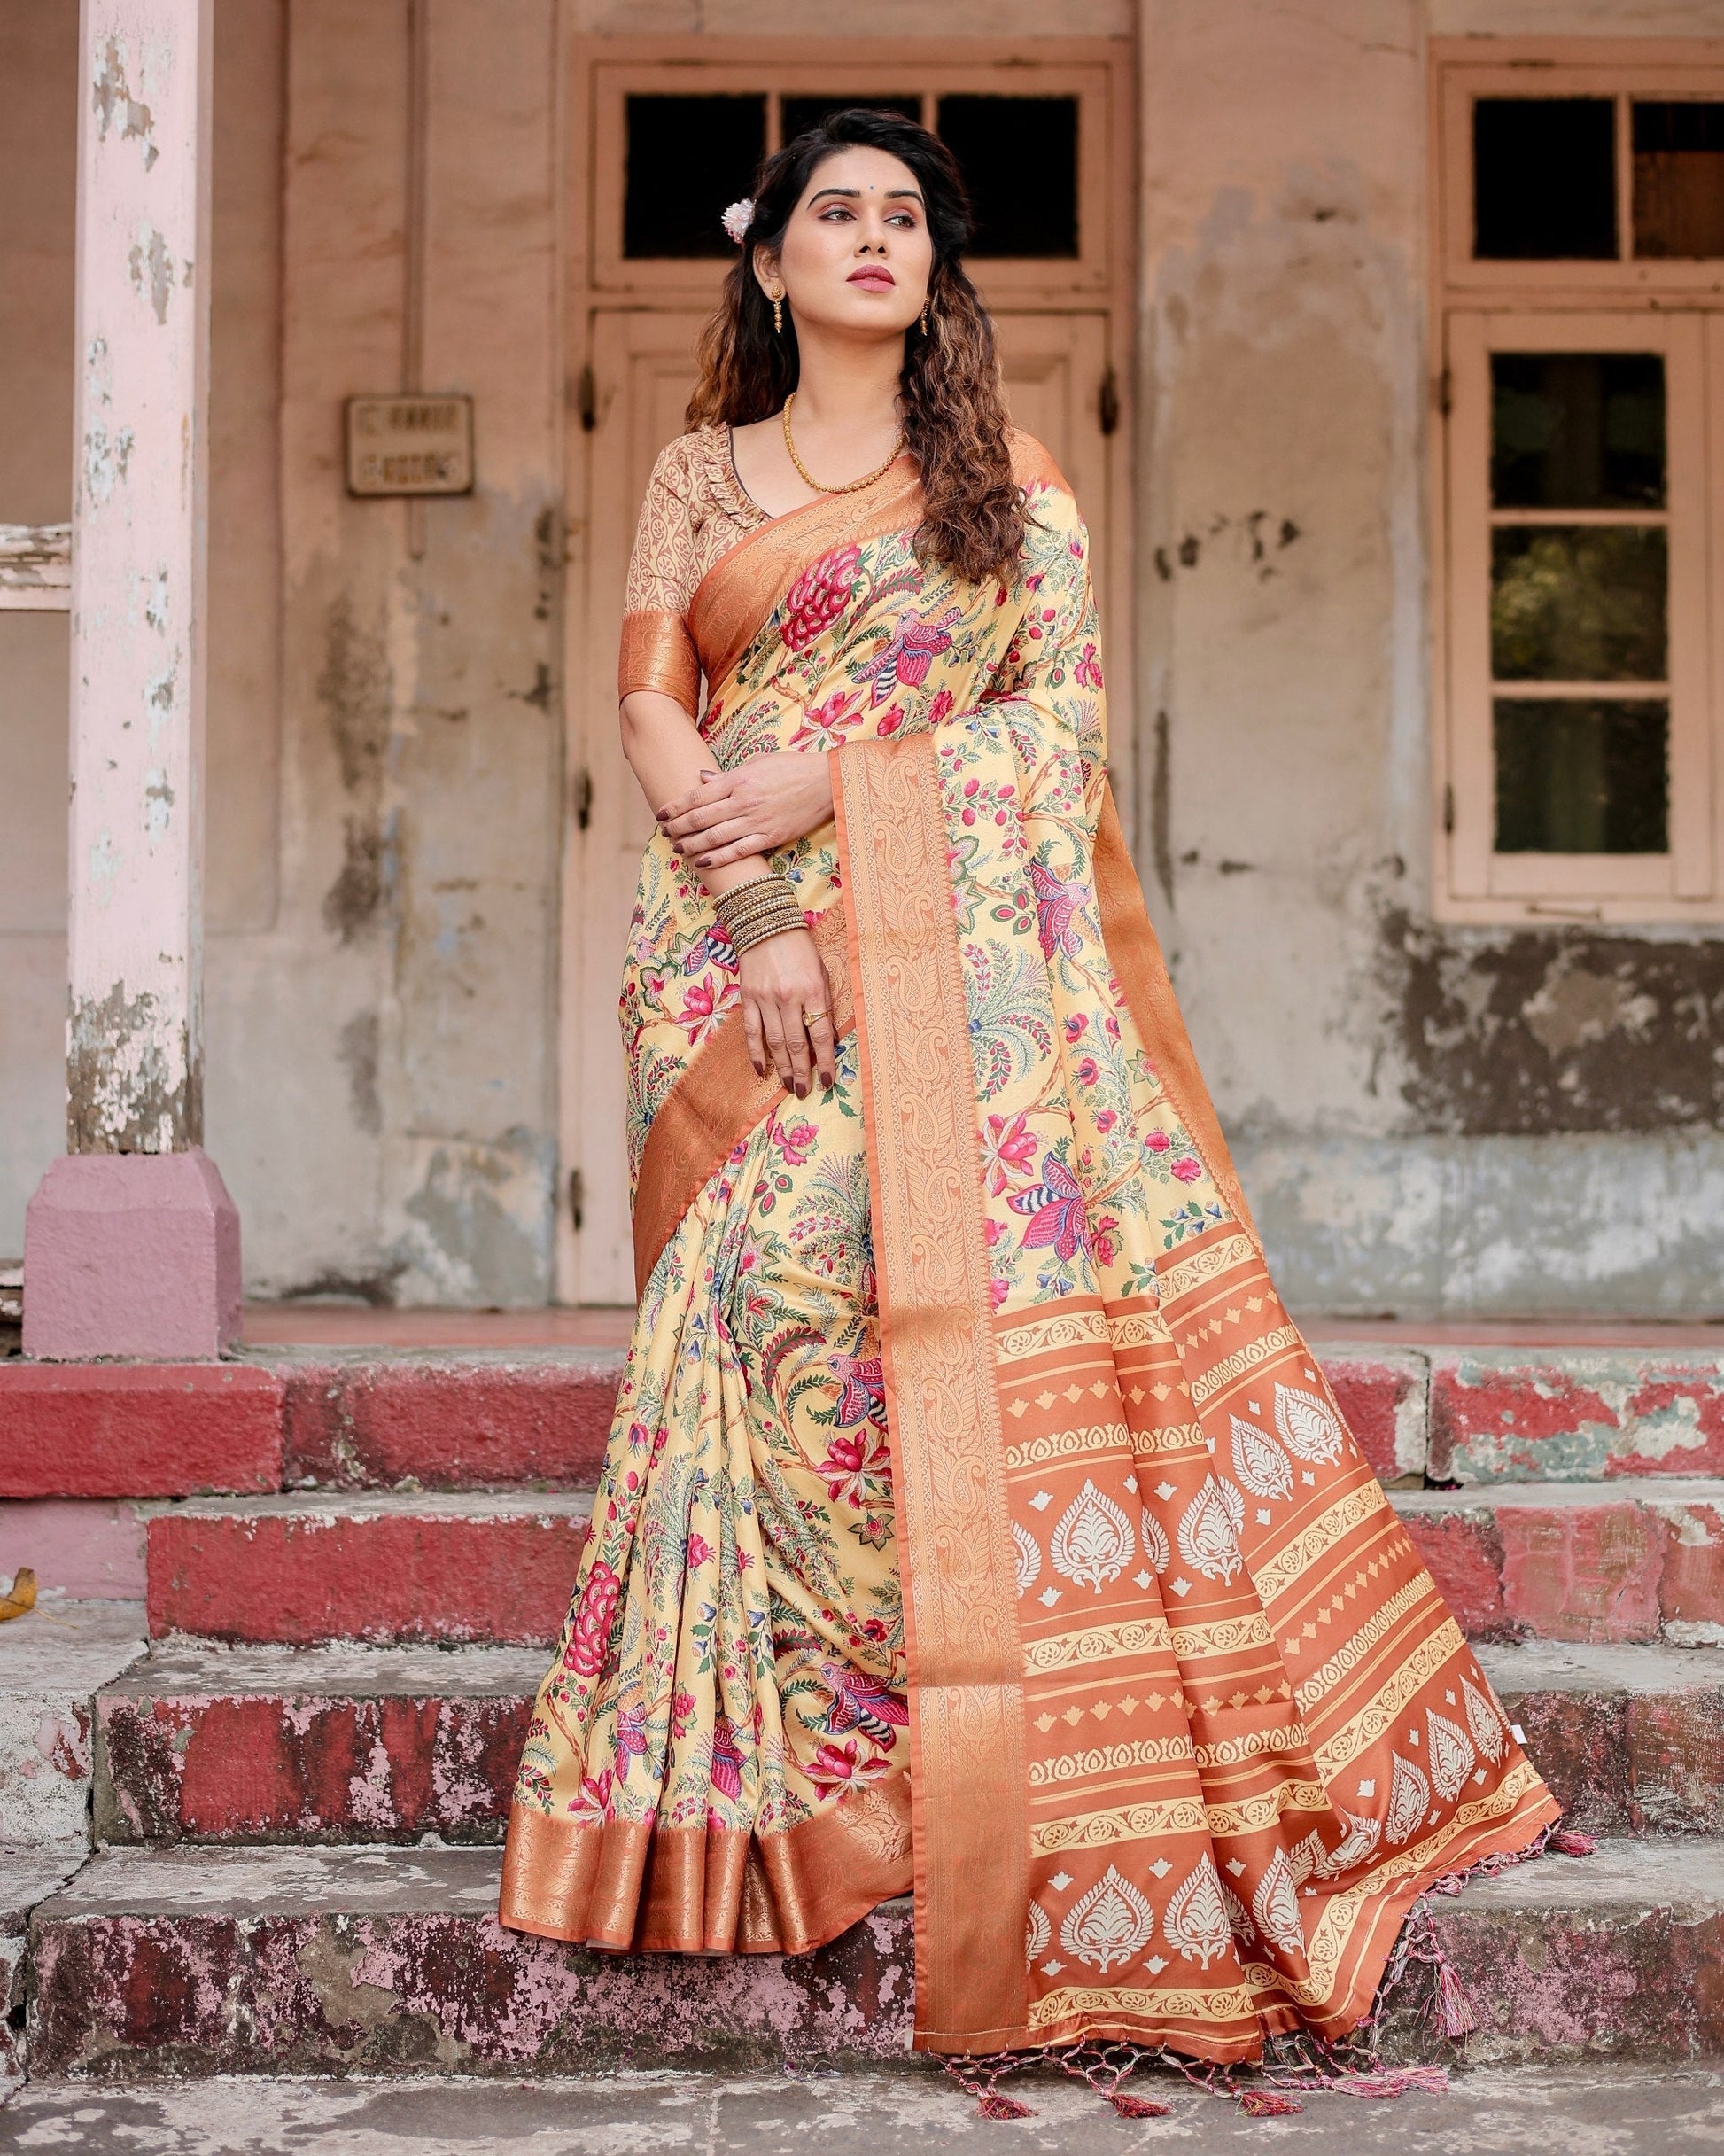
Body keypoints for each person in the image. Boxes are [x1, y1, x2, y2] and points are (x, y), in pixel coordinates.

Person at [499, 106, 1557, 2094]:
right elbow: (649, 697)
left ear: (933, 266)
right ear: (772, 257)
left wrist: (846, 787)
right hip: (740, 950)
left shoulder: (1009, 484)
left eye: (906, 216)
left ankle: (939, 1732)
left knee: (888, 1313)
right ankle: (793, 1759)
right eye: (839, 211)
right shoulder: (693, 471)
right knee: (749, 1300)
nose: (874, 238)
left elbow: (1052, 721)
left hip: (943, 960)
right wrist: (760, 903)